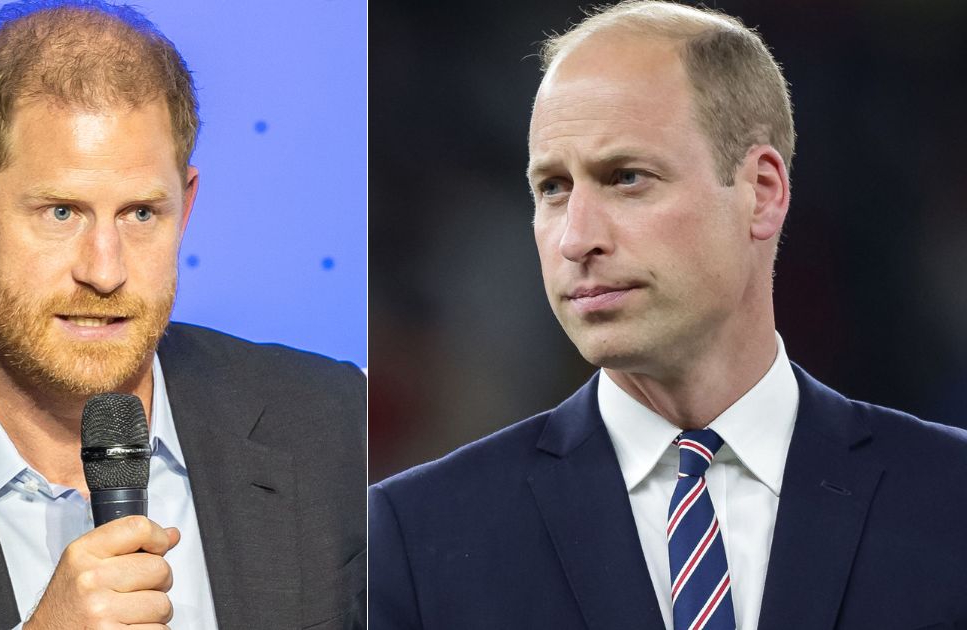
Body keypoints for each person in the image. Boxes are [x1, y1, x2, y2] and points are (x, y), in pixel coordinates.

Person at [369, 2, 967, 629]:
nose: (576, 238)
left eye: (626, 177)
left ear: (761, 193)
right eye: (552, 187)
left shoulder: (950, 498)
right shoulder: (417, 537)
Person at [0, 1, 364, 628]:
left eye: (140, 213)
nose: (104, 272)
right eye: (61, 212)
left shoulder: (334, 422)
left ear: (185, 208)